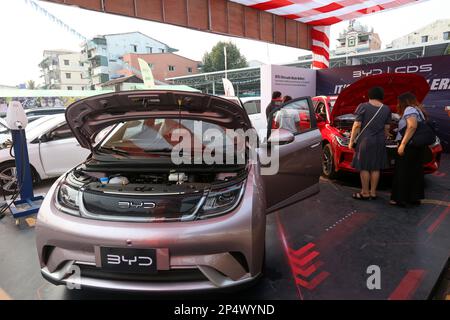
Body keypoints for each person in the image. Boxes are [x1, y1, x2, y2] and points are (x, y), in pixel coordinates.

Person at [348, 87, 392, 200]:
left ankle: (365, 193)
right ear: (381, 96)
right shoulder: (386, 109)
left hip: (365, 141)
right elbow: (387, 128)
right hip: (380, 141)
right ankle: (373, 193)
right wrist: (385, 136)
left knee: (364, 167)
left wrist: (351, 141)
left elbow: (357, 125)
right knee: (376, 167)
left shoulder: (363, 106)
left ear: (369, 95)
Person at [390, 92, 427, 206]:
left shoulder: (409, 109)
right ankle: (414, 198)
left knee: (402, 172)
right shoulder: (418, 110)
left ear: (403, 102)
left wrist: (403, 144)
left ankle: (400, 199)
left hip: (409, 146)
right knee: (415, 172)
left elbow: (412, 126)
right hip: (417, 146)